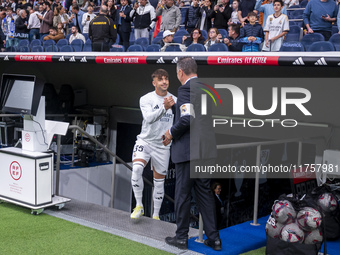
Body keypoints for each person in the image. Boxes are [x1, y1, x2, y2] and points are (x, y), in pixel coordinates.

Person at [163, 57, 221, 251]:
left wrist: (170, 133)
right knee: (205, 194)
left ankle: (181, 238)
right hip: (206, 150)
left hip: (189, 151)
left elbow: (187, 119)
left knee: (182, 195)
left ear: (180, 72)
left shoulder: (185, 89)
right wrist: (176, 105)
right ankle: (214, 239)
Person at [130, 69, 176, 221]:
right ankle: (139, 205)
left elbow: (179, 123)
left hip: (162, 146)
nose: (164, 82)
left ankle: (155, 215)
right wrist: (164, 108)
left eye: (166, 79)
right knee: (136, 168)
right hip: (145, 141)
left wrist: (172, 136)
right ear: (154, 83)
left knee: (159, 181)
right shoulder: (146, 99)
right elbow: (149, 119)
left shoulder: (174, 99)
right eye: (161, 79)